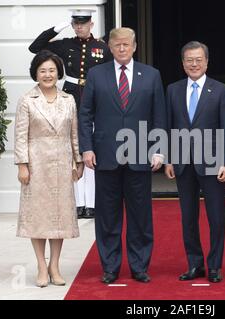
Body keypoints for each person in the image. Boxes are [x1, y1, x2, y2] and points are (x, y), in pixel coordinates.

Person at [78, 27, 167, 284]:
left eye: (126, 44)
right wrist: (87, 148)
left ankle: (139, 266)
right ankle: (110, 266)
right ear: (110, 46)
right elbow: (86, 115)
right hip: (105, 156)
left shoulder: (151, 75)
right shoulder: (96, 74)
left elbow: (159, 115)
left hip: (140, 155)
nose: (122, 48)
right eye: (117, 44)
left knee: (140, 215)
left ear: (135, 46)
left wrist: (159, 150)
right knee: (107, 216)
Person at [29, 9, 112, 219]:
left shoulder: (102, 47)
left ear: (91, 25)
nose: (79, 27)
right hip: (70, 99)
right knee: (73, 152)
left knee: (90, 151)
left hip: (94, 103)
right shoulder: (65, 44)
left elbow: (112, 74)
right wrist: (57, 28)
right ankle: (77, 203)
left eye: (83, 24)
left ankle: (92, 203)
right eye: (76, 24)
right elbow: (35, 48)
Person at [165, 41, 225, 283]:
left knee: (216, 217)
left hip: (213, 162)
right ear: (183, 63)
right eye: (189, 60)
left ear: (206, 62)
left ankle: (215, 266)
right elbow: (169, 127)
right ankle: (195, 264)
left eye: (198, 60)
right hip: (183, 163)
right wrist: (169, 159)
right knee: (188, 217)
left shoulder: (219, 90)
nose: (194, 64)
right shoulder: (173, 90)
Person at [14, 50, 84, 287]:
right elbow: (21, 136)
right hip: (37, 165)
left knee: (60, 217)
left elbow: (74, 134)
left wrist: (79, 160)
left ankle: (55, 265)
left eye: (52, 70)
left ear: (58, 73)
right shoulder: (27, 100)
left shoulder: (68, 100)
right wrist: (22, 165)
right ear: (36, 73)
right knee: (38, 217)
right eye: (43, 70)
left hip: (63, 165)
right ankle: (41, 267)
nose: (48, 75)